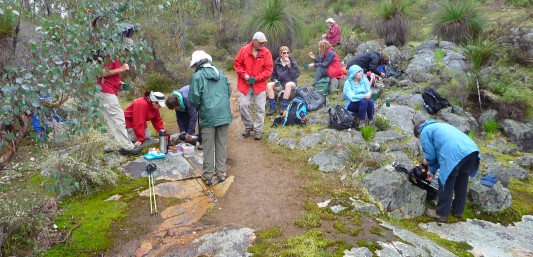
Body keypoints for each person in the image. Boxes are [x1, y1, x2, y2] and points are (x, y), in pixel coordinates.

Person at [414, 119, 480, 222]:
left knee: (445, 180)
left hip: (455, 153)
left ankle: (442, 213)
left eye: (419, 138)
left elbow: (431, 155)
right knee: (461, 180)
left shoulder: (424, 131)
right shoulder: (439, 126)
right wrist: (432, 170)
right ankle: (458, 210)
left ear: (418, 132)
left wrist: (428, 163)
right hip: (472, 151)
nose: (420, 139)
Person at [188, 50, 232, 186]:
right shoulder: (222, 74)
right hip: (224, 114)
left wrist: (201, 106)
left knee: (208, 146)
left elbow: (194, 99)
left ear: (197, 64)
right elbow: (229, 92)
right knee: (221, 144)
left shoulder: (197, 76)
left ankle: (207, 175)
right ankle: (221, 173)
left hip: (208, 115)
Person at [96, 38, 142, 155]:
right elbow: (100, 72)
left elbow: (109, 74)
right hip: (105, 91)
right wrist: (121, 69)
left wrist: (118, 83)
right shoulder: (111, 56)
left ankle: (111, 145)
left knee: (109, 119)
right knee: (118, 118)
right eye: (127, 50)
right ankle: (127, 147)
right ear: (122, 47)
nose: (128, 52)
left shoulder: (115, 57)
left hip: (106, 90)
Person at [234, 31, 274, 140]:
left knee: (260, 108)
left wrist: (256, 78)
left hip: (259, 85)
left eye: (264, 42)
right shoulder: (244, 50)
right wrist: (244, 75)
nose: (262, 44)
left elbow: (268, 70)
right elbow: (237, 64)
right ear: (254, 41)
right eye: (260, 42)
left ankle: (258, 130)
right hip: (245, 84)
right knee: (243, 105)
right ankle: (249, 125)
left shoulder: (266, 53)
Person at [266, 46, 300, 115]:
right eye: (284, 53)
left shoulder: (292, 61)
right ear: (281, 54)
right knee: (269, 85)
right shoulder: (277, 63)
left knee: (288, 84)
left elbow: (296, 75)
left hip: (291, 84)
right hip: (281, 84)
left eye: (288, 53)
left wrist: (289, 66)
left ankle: (283, 106)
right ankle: (272, 106)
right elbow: (273, 75)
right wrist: (275, 80)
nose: (286, 54)